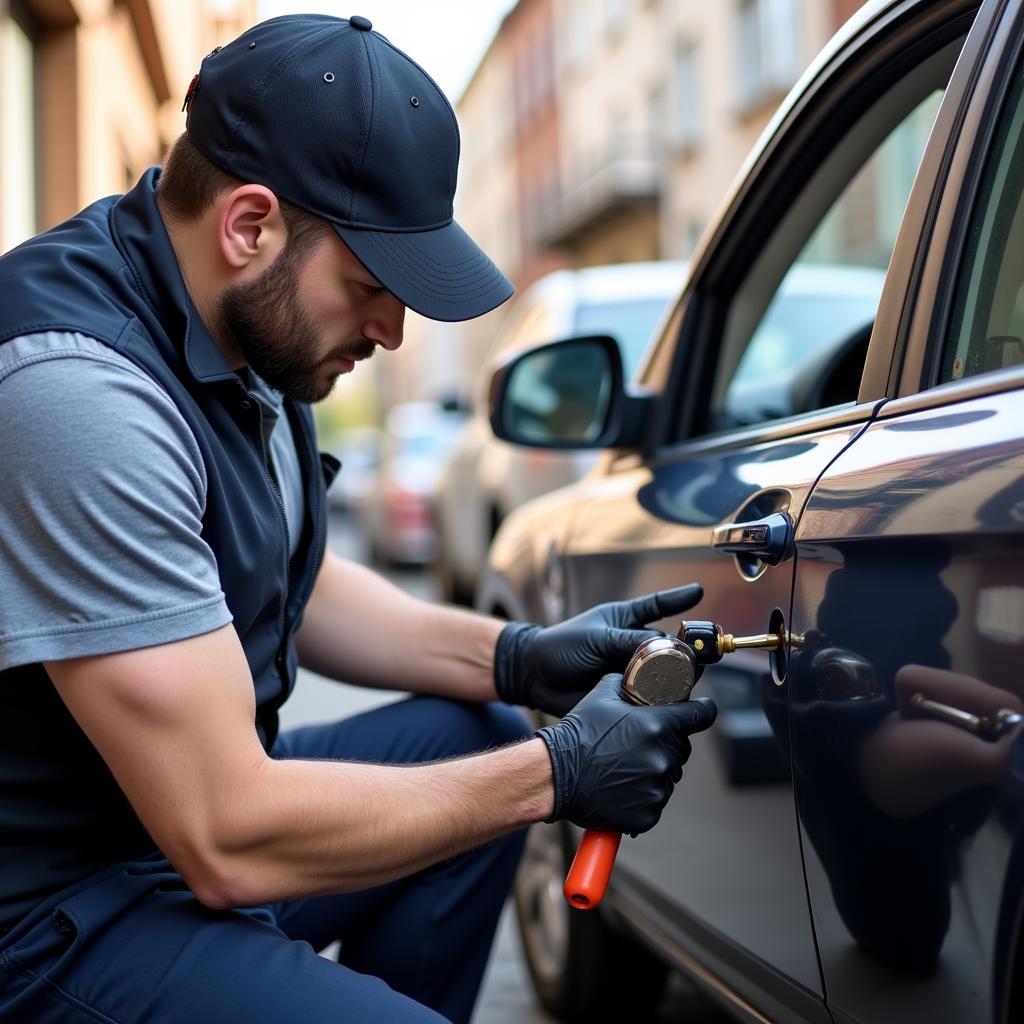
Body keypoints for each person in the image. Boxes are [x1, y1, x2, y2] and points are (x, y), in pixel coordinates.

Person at [0, 15, 716, 1024]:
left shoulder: (247, 326)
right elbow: (226, 831)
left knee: (471, 724)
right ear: (249, 226)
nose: (391, 331)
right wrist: (556, 774)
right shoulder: (76, 390)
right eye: (372, 287)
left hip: (162, 843)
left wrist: (512, 656)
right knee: (497, 770)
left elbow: (300, 576)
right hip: (51, 912)